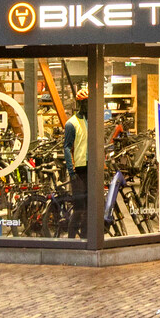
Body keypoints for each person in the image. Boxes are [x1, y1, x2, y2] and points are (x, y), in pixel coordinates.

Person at [65, 86, 91, 235]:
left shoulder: (93, 121)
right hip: (79, 170)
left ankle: (86, 237)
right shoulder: (71, 124)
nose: (87, 106)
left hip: (91, 168)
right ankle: (71, 238)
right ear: (79, 104)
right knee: (79, 207)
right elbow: (67, 147)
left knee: (89, 208)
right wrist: (71, 171)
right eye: (84, 103)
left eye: (88, 102)